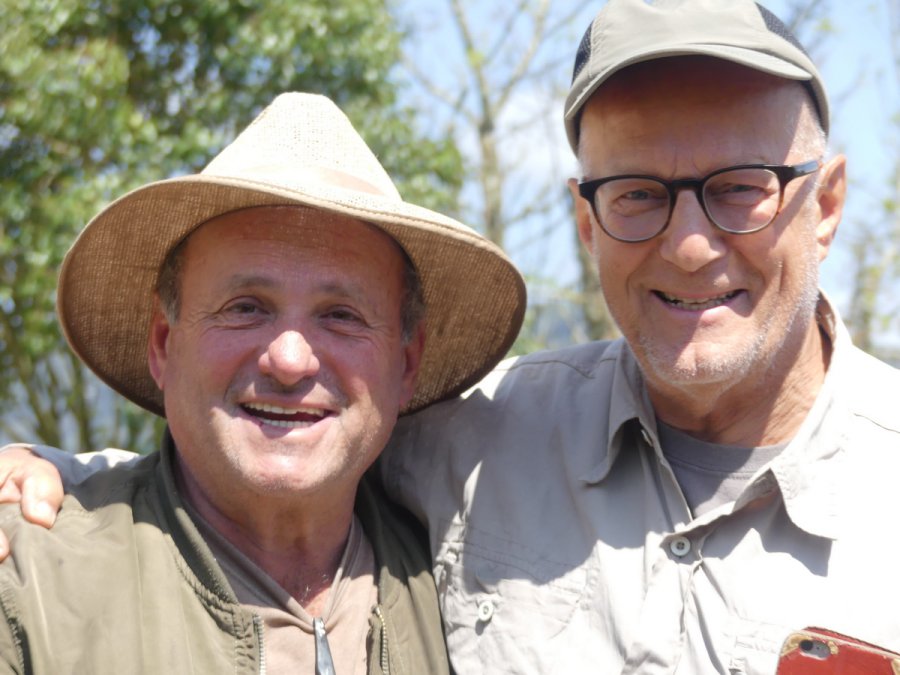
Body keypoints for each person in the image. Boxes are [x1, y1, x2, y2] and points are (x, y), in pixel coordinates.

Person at [3, 1, 900, 673]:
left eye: (742, 188)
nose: (691, 243)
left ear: (825, 205)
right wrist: (44, 477)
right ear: (586, 225)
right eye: (637, 195)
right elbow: (262, 453)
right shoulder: (481, 442)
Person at [0, 92, 525, 674]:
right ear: (164, 343)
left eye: (341, 316)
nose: (290, 360)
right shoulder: (32, 587)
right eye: (246, 307)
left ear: (406, 364)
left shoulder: (475, 590)